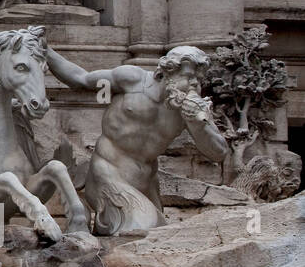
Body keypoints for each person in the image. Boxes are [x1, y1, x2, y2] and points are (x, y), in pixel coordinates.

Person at [45, 45, 230, 234]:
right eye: (188, 77)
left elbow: (219, 153)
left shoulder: (188, 110)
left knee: (158, 237)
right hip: (108, 174)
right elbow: (81, 79)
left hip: (146, 184)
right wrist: (46, 52)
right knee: (142, 231)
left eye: (199, 79)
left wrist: (199, 124)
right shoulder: (132, 80)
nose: (194, 84)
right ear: (166, 73)